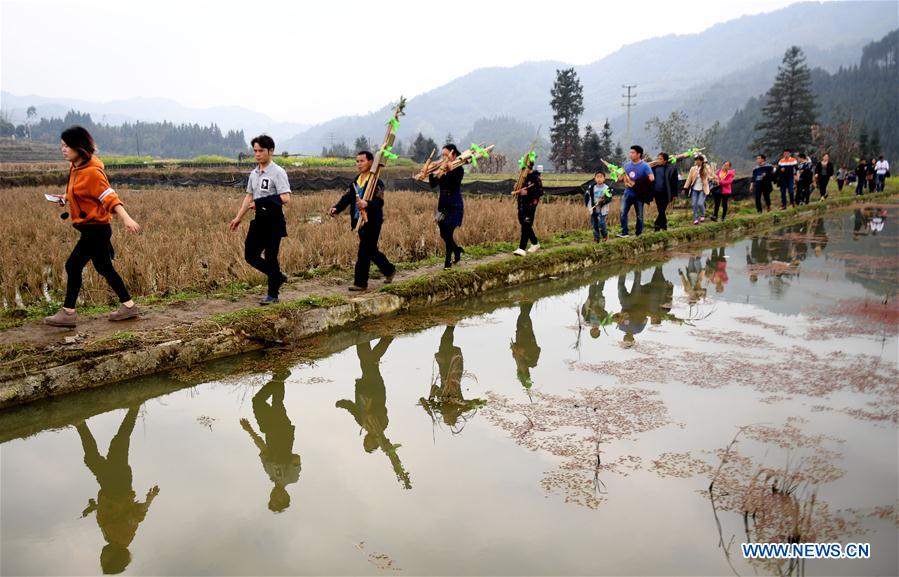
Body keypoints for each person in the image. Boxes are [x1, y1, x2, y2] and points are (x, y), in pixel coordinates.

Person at [45, 126, 142, 328]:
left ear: (79, 147)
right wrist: (65, 198)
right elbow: (81, 192)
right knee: (104, 268)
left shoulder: (92, 172)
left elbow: (109, 197)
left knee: (73, 265)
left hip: (96, 229)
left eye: (67, 146)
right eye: (62, 145)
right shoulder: (75, 167)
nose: (63, 149)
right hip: (90, 228)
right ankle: (129, 306)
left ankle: (68, 312)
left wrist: (126, 218)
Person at [76, 406, 158, 575]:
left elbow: (113, 514)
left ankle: (82, 423)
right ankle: (81, 423)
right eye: (104, 559)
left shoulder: (112, 538)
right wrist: (150, 499)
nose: (101, 555)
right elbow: (135, 515)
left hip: (111, 488)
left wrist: (94, 507)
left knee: (106, 451)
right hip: (118, 486)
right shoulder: (123, 536)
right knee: (116, 444)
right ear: (114, 557)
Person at [336, 338, 411, 489]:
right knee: (368, 362)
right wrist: (372, 413)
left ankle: (366, 339)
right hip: (376, 390)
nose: (366, 441)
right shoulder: (382, 425)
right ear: (376, 444)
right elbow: (382, 410)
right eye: (369, 444)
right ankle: (379, 339)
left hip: (365, 387)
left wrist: (342, 404)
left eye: (365, 443)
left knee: (368, 361)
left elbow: (353, 409)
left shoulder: (362, 423)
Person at [229, 135, 291, 305]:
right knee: (250, 255)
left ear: (271, 151)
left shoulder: (278, 172)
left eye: (261, 151)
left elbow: (285, 198)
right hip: (259, 221)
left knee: (271, 257)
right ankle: (277, 276)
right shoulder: (254, 173)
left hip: (274, 221)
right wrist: (238, 217)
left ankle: (273, 295)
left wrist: (262, 202)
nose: (257, 154)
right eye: (255, 151)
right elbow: (249, 196)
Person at [329, 150, 396, 291]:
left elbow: (379, 202)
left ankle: (360, 283)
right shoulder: (356, 180)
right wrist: (336, 208)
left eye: (362, 161)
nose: (359, 164)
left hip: (373, 221)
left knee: (364, 251)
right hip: (358, 221)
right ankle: (389, 270)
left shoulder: (377, 182)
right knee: (371, 250)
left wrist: (367, 204)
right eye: (357, 161)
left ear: (371, 162)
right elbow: (346, 198)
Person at [240, 368, 301, 513]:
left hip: (270, 432)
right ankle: (278, 377)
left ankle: (278, 376)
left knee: (263, 402)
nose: (273, 496)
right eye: (276, 499)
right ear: (285, 496)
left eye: (271, 498)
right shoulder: (291, 478)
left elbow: (263, 449)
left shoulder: (271, 474)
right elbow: (296, 458)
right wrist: (284, 461)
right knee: (274, 403)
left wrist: (249, 430)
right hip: (283, 434)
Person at [429, 144, 465, 269]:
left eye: (446, 155)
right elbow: (433, 184)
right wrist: (432, 171)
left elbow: (452, 185)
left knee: (448, 233)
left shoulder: (458, 169)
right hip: (443, 204)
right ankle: (457, 250)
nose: (443, 157)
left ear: (453, 155)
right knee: (443, 234)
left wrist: (444, 173)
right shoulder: (441, 168)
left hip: (454, 204)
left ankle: (447, 263)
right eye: (442, 155)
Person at [617, 145, 654, 237]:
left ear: (638, 154)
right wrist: (618, 175)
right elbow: (620, 178)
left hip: (639, 194)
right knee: (622, 212)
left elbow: (652, 178)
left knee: (640, 215)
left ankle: (639, 233)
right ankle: (624, 232)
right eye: (630, 152)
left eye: (632, 152)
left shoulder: (645, 166)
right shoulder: (626, 165)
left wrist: (638, 183)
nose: (630, 154)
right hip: (628, 193)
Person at [512, 162, 544, 256]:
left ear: (529, 168)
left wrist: (528, 192)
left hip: (530, 206)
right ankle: (535, 243)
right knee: (524, 224)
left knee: (526, 225)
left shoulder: (535, 178)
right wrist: (516, 189)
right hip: (521, 205)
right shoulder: (522, 178)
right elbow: (518, 189)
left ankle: (522, 248)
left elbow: (540, 192)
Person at [651, 152, 679, 231]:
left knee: (662, 209)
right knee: (660, 209)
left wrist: (674, 194)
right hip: (657, 192)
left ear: (665, 161)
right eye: (658, 158)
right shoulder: (654, 168)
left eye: (660, 159)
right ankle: (663, 225)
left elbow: (674, 182)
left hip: (666, 193)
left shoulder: (671, 169)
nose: (658, 160)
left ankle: (657, 224)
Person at [584, 169, 612, 242]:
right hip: (594, 209)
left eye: (601, 177)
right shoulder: (592, 188)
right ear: (595, 178)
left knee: (601, 223)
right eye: (597, 177)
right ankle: (596, 238)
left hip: (603, 209)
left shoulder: (606, 188)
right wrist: (587, 205)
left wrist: (603, 201)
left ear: (604, 178)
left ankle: (605, 235)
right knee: (594, 224)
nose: (599, 179)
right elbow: (587, 196)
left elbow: (609, 198)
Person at [683, 154, 711, 224]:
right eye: (696, 160)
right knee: (694, 204)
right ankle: (695, 218)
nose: (697, 162)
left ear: (702, 161)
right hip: (695, 189)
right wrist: (685, 187)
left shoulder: (706, 168)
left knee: (700, 203)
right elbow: (689, 178)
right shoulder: (693, 169)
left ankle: (702, 214)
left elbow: (709, 175)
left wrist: (705, 169)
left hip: (703, 189)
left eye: (699, 160)